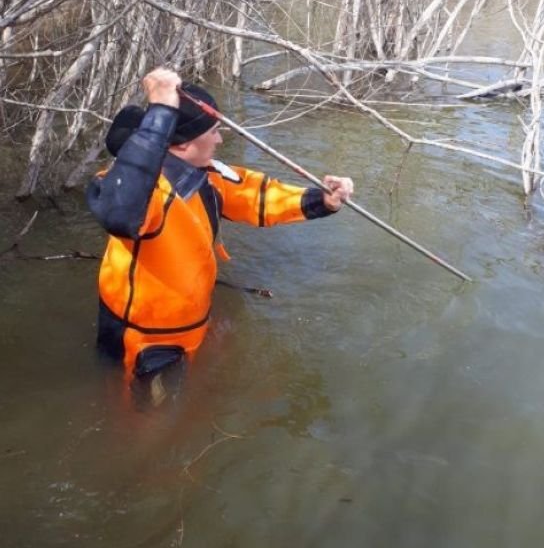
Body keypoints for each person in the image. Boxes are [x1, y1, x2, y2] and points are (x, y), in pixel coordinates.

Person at [87, 68, 354, 380]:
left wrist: (321, 201)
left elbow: (257, 195)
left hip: (190, 324)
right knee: (145, 424)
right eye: (212, 131)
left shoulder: (207, 174)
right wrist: (160, 112)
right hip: (145, 341)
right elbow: (120, 213)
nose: (220, 138)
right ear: (183, 145)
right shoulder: (147, 192)